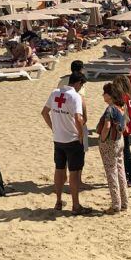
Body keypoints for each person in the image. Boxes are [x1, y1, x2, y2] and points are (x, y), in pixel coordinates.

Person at [41, 71, 88, 215]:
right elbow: (79, 119)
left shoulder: (55, 93)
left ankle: (58, 201)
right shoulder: (75, 96)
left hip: (58, 138)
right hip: (72, 139)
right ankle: (75, 204)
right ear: (78, 83)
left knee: (59, 169)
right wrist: (81, 135)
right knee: (74, 173)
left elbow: (44, 112)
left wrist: (54, 128)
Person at [96, 83, 130, 214]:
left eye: (104, 93)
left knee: (111, 172)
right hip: (120, 140)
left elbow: (107, 126)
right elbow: (126, 123)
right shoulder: (122, 106)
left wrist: (103, 139)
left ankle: (116, 204)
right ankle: (124, 202)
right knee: (120, 170)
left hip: (110, 142)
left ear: (110, 95)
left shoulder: (110, 109)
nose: (102, 95)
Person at [111, 75, 131, 186]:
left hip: (123, 128)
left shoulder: (121, 98)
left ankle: (128, 177)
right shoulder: (128, 96)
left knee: (123, 153)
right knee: (126, 151)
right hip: (129, 126)